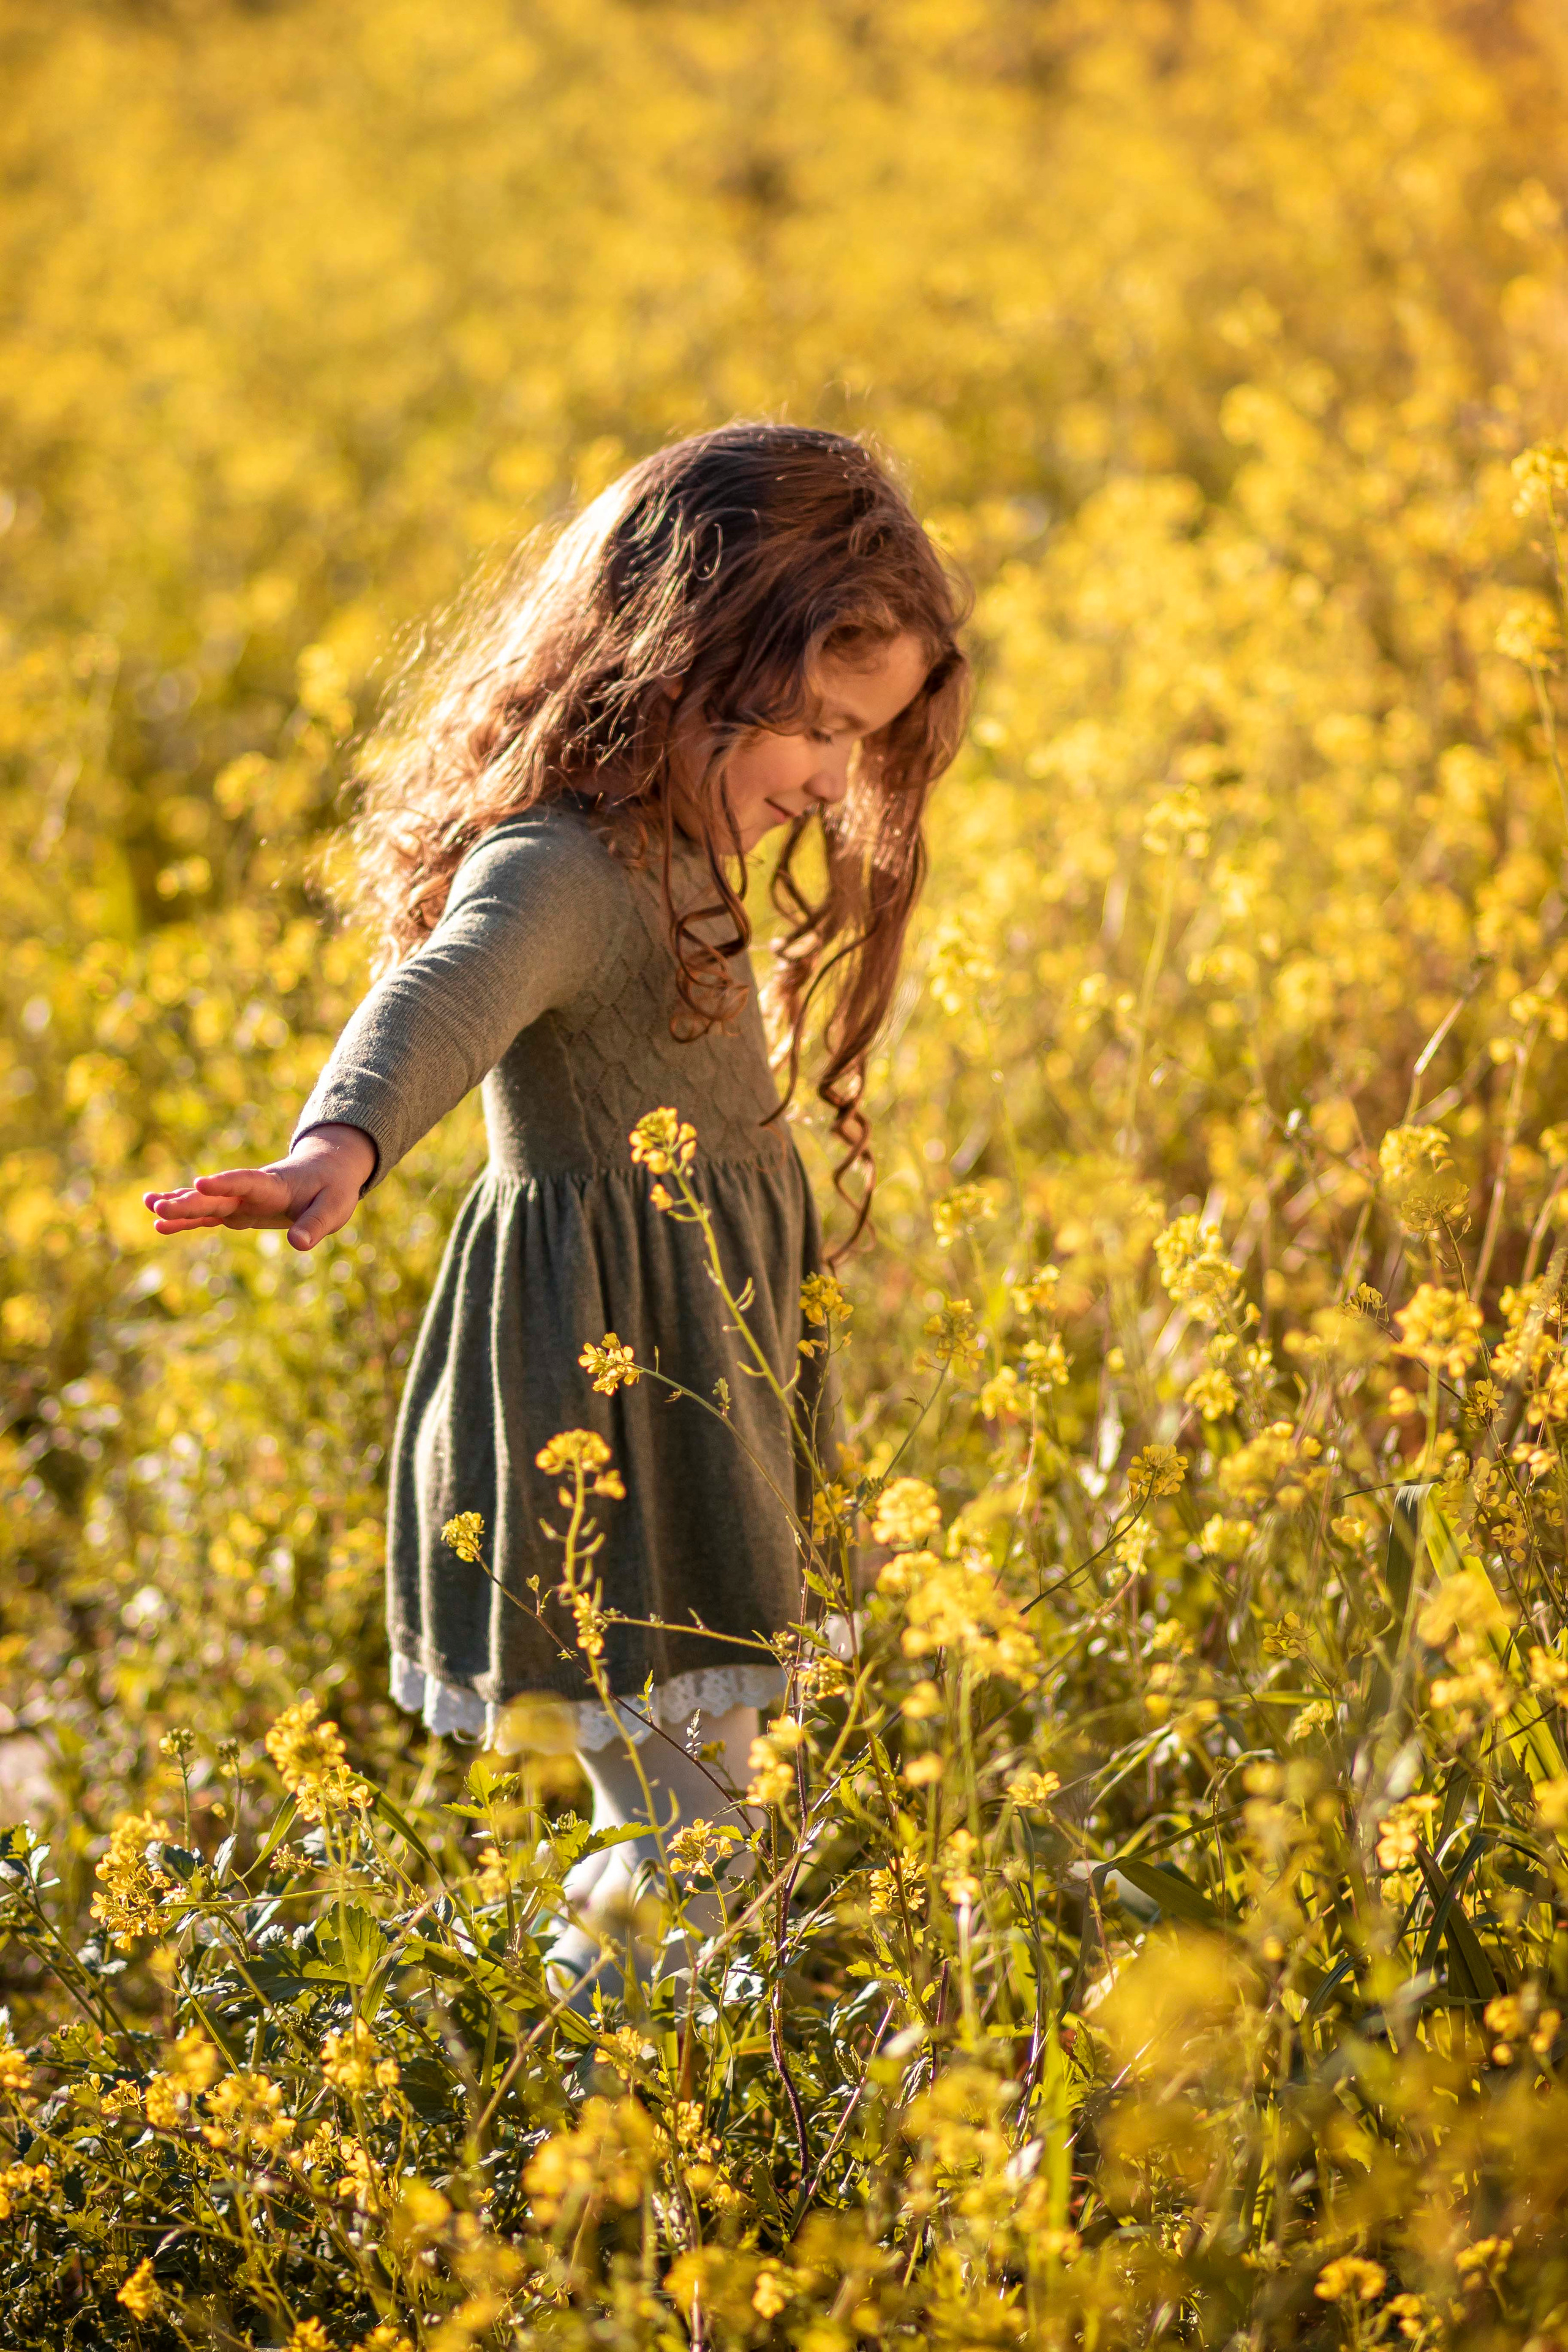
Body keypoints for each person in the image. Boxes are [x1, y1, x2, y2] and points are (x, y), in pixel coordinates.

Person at [143, 421, 970, 1986]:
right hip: (607, 1391)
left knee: (715, 1798)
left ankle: (651, 2098)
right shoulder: (568, 865)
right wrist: (339, 1147)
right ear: (681, 660)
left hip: (694, 1370)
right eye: (813, 730)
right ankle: (597, 2098)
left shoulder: (676, 839)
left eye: (867, 741)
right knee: (680, 1818)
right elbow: (446, 992)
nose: (832, 781)